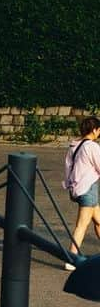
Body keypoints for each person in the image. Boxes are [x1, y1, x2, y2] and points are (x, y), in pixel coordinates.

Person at [63, 115, 100, 268]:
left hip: (77, 188)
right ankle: (71, 258)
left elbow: (67, 168)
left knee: (98, 220)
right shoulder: (92, 146)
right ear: (94, 130)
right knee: (82, 225)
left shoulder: (74, 145)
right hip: (88, 188)